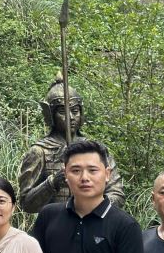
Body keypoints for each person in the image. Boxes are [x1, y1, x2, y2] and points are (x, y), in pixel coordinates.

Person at [18, 81, 124, 214]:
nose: (70, 117)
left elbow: (116, 192)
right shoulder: (39, 151)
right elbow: (27, 204)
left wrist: (95, 208)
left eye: (75, 111)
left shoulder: (96, 150)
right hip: (55, 222)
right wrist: (51, 183)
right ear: (51, 115)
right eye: (62, 112)